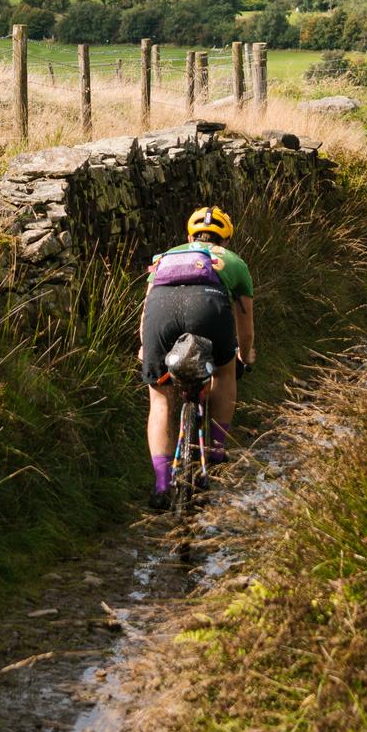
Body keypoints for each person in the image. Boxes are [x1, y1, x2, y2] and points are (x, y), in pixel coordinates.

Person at [138, 205, 255, 509]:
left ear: (189, 236)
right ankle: (215, 450)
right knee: (224, 372)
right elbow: (246, 327)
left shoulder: (165, 257)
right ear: (226, 239)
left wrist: (145, 347)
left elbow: (148, 306)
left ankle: (161, 486)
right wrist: (244, 357)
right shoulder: (234, 262)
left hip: (160, 310)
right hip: (209, 307)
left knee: (160, 399)